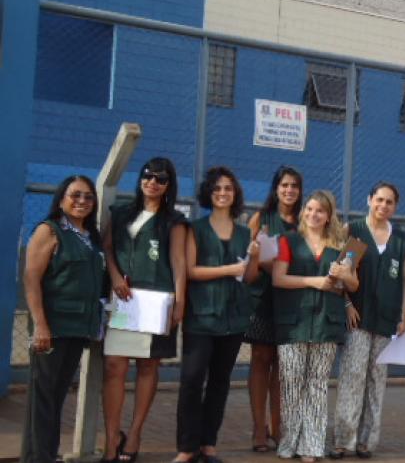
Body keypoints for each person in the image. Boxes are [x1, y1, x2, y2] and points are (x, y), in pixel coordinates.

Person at [102, 158, 187, 463]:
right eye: (147, 175)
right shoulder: (122, 212)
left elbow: (179, 263)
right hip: (125, 301)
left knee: (148, 367)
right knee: (114, 365)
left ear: (168, 186)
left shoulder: (174, 220)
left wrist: (180, 302)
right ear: (140, 179)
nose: (152, 182)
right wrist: (113, 277)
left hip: (157, 302)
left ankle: (134, 434)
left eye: (160, 179)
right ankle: (112, 438)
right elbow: (108, 249)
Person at [174, 166, 260, 463]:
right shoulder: (195, 228)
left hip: (233, 319)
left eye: (228, 189)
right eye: (217, 189)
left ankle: (208, 445)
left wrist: (255, 260)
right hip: (201, 317)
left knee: (220, 382)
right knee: (191, 379)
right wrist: (229, 269)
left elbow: (248, 278)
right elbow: (191, 270)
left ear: (235, 194)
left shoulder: (246, 232)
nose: (223, 193)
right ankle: (187, 447)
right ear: (208, 194)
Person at [21, 175, 106, 463]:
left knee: (54, 399)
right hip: (53, 327)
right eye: (75, 195)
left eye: (88, 197)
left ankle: (38, 456)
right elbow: (32, 278)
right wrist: (41, 325)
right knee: (43, 399)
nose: (82, 201)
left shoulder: (90, 237)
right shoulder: (49, 230)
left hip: (78, 328)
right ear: (61, 198)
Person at [272, 190, 357, 462]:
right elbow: (278, 278)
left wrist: (345, 275)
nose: (313, 214)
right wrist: (314, 281)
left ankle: (311, 446)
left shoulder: (344, 245)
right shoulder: (288, 240)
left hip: (326, 323)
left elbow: (353, 285)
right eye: (309, 209)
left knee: (318, 386)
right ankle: (289, 442)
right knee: (292, 385)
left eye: (319, 210)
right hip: (293, 322)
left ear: (328, 215)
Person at [331, 181, 405, 459]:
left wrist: (404, 316)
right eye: (379, 200)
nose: (383, 206)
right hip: (359, 318)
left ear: (395, 206)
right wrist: (345, 304)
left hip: (387, 320)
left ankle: (367, 441)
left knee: (377, 381)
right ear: (369, 200)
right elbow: (341, 273)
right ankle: (343, 440)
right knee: (352, 378)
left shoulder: (400, 239)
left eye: (389, 202)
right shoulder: (355, 231)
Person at [245, 166, 303, 452]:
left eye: (294, 186)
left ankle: (278, 426)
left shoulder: (305, 221)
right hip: (263, 299)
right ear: (276, 188)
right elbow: (248, 260)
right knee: (260, 360)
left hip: (291, 303)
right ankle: (258, 428)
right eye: (284, 185)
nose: (289, 190)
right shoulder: (261, 218)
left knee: (282, 367)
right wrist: (265, 258)